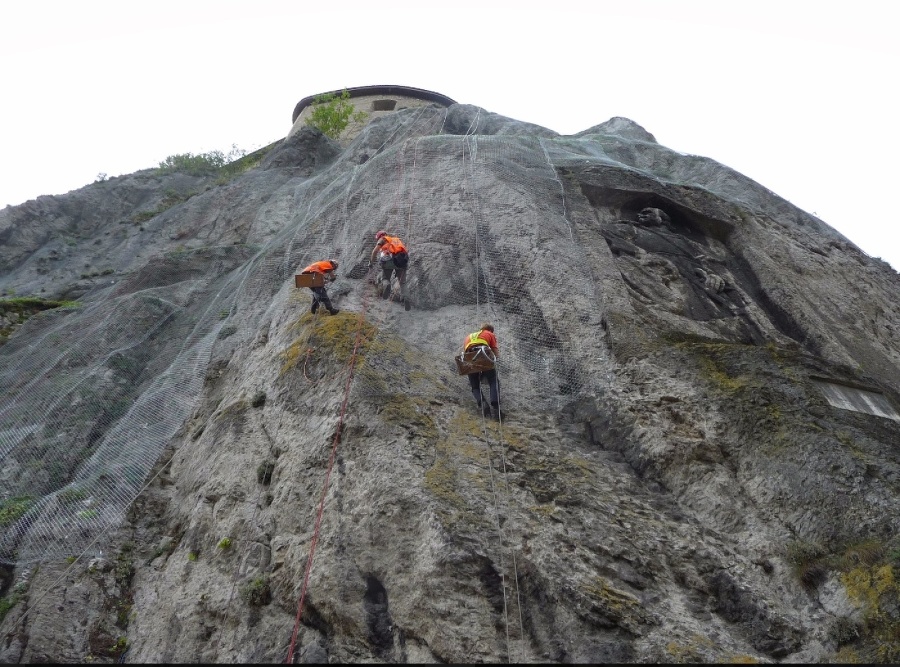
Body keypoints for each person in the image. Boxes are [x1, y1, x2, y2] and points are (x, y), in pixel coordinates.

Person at [462, 323, 501, 419]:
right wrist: (495, 360)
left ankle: (482, 402)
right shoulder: (490, 334)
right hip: (483, 353)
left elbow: (465, 349)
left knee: (475, 386)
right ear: (490, 330)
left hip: (469, 357)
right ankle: (496, 407)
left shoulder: (469, 336)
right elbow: (495, 351)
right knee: (493, 380)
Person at [369, 230, 410, 310]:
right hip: (401, 261)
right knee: (403, 282)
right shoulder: (397, 240)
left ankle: (387, 285)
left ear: (380, 236)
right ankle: (406, 299)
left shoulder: (383, 239)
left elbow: (375, 251)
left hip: (389, 260)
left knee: (385, 278)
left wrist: (371, 262)